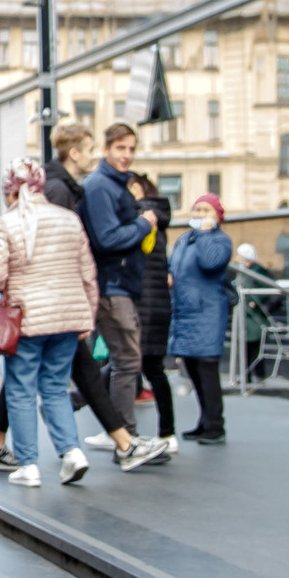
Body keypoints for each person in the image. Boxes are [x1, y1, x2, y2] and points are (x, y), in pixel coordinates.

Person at [0, 158, 101, 486]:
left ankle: (28, 465)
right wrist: (88, 317)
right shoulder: (69, 220)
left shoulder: (7, 224)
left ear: (10, 190)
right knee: (56, 387)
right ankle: (71, 452)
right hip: (67, 319)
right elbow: (88, 274)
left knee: (21, 390)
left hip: (27, 320)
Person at [83, 124, 164, 456]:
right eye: (120, 148)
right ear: (106, 150)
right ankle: (125, 438)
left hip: (117, 284)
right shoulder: (101, 186)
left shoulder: (113, 184)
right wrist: (143, 224)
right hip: (112, 285)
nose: (127, 155)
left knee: (124, 360)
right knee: (127, 360)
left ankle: (123, 436)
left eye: (131, 148)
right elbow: (107, 238)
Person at [169, 195, 235, 442]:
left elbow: (210, 262)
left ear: (217, 216)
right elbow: (174, 266)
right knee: (193, 369)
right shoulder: (185, 240)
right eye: (197, 209)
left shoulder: (219, 240)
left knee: (206, 369)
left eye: (206, 210)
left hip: (207, 313)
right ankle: (205, 421)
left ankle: (215, 425)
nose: (200, 214)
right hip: (185, 312)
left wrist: (206, 234)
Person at [129, 174, 177, 443]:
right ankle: (167, 433)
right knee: (152, 367)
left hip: (141, 301)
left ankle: (121, 431)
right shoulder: (159, 217)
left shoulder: (142, 217)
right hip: (158, 303)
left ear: (136, 189)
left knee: (125, 364)